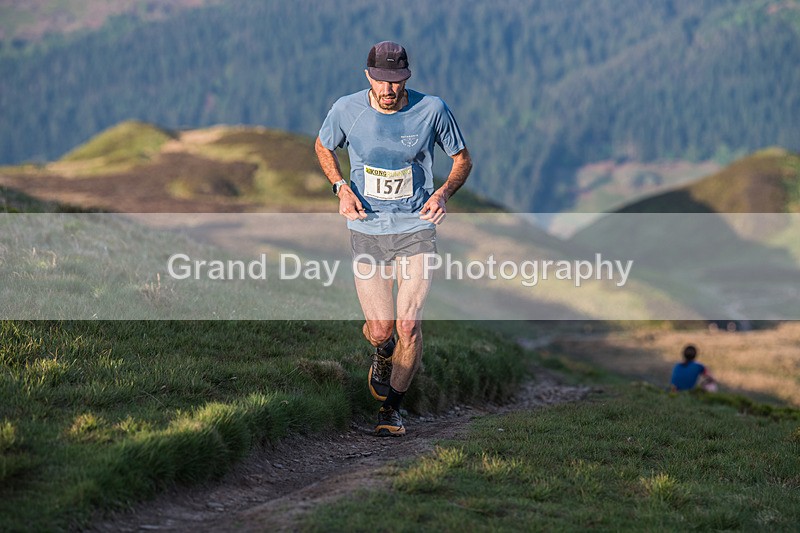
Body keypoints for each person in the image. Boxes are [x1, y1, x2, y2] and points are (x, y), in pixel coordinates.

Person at [315, 41, 472, 436]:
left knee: (408, 325)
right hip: (366, 227)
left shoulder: (432, 109)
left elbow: (462, 158)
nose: (389, 90)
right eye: (382, 81)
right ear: (367, 75)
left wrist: (442, 194)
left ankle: (392, 409)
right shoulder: (346, 109)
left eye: (397, 81)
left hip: (416, 227)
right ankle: (382, 352)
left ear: (407, 78)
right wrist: (339, 186)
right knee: (383, 329)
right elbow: (322, 146)